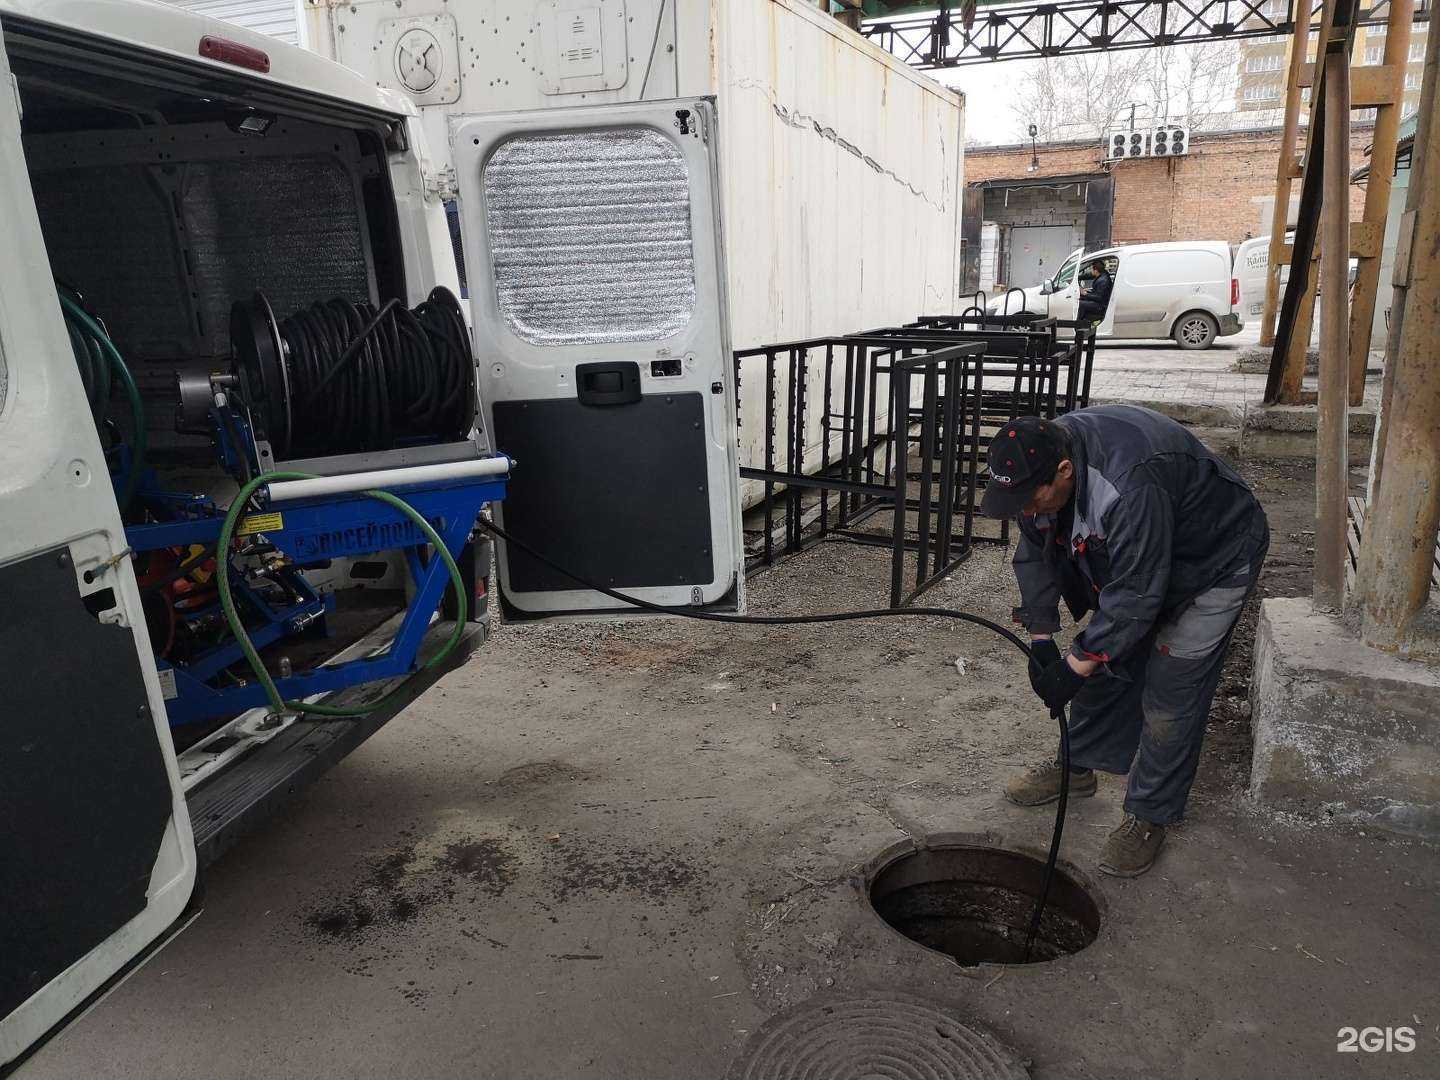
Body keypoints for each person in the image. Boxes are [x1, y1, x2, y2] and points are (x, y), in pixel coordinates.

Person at [979, 407, 1268, 877]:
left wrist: (1074, 666)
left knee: (1171, 693)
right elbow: (1035, 552)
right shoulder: (1040, 469)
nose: (1026, 511)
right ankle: (1077, 767)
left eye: (1032, 499)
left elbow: (1135, 595)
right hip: (1146, 557)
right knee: (1104, 661)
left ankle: (1150, 815)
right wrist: (1042, 639)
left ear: (1065, 471)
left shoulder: (1128, 484)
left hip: (1213, 561)